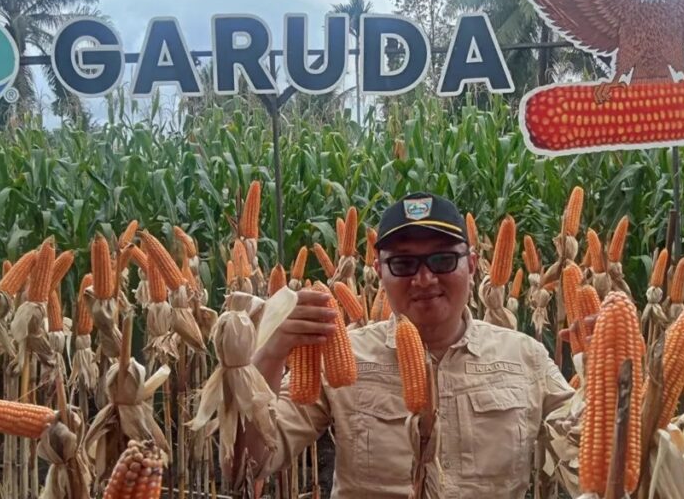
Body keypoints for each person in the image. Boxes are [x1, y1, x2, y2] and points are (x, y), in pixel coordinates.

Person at [244, 192, 578, 498]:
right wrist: (270, 354)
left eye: (443, 260)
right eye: (403, 264)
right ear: (377, 271)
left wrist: (608, 378)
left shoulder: (525, 358)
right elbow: (253, 461)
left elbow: (586, 453)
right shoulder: (345, 357)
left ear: (473, 265)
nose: (424, 279)